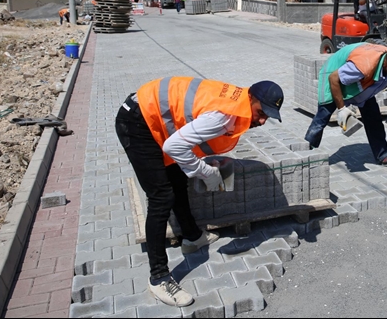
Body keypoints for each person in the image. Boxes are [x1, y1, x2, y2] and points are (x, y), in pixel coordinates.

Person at [115, 77, 284, 307]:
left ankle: (192, 238)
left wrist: (202, 167)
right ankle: (159, 278)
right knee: (161, 197)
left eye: (268, 116)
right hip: (137, 124)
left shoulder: (238, 101)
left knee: (177, 179)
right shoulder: (223, 116)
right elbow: (174, 147)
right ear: (251, 98)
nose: (262, 120)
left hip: (152, 118)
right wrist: (206, 172)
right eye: (261, 112)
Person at [304, 43, 387, 168]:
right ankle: (304, 153)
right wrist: (341, 109)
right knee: (321, 119)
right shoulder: (363, 66)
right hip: (333, 77)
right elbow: (334, 78)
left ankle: (383, 155)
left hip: (361, 84)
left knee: (374, 120)